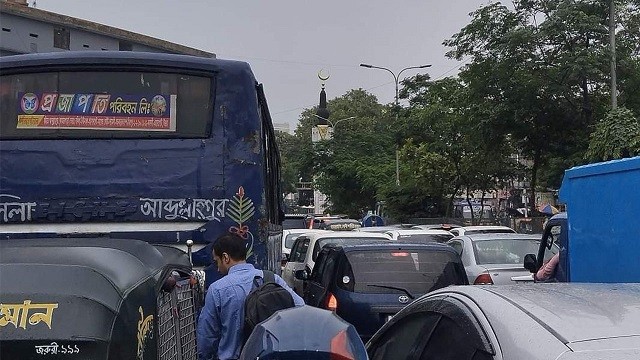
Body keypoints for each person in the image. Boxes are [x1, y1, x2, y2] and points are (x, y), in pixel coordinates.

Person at [197, 233, 304, 360]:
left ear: (225, 257)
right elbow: (300, 306)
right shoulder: (271, 279)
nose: (218, 268)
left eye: (217, 262)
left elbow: (207, 336)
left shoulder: (217, 289)